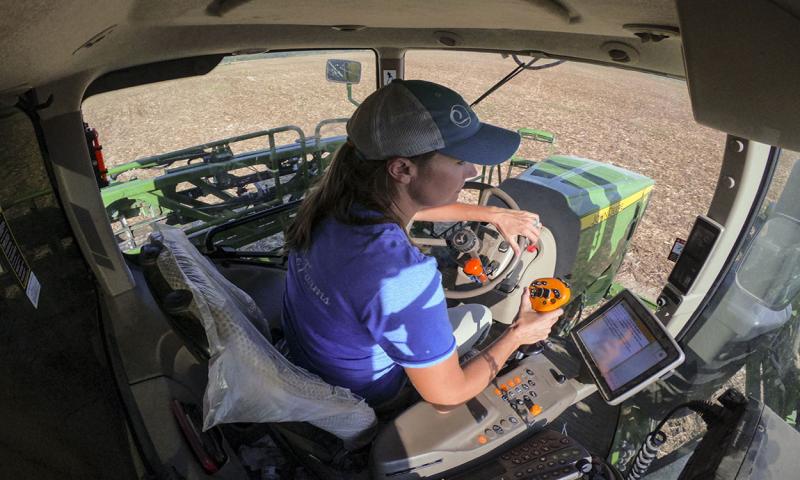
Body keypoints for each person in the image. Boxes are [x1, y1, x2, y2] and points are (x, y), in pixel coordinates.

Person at [282, 79, 562, 410]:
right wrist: (518, 334)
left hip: (310, 361)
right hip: (370, 396)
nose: (472, 171)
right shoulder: (402, 275)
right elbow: (447, 393)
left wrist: (491, 213)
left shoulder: (332, 206)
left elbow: (412, 206)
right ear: (402, 168)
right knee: (480, 314)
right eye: (459, 162)